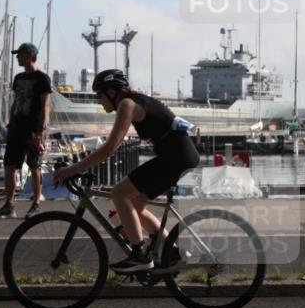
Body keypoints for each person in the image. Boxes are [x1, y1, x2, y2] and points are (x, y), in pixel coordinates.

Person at [52, 69, 200, 272]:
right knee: (136, 207)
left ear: (112, 93)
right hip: (177, 156)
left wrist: (71, 170)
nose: (99, 100)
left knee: (119, 193)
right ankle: (172, 253)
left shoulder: (127, 105)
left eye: (99, 95)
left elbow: (109, 148)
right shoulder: (131, 101)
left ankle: (140, 256)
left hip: (176, 157)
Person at [0, 43, 51, 219]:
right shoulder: (18, 78)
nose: (17, 57)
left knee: (34, 166)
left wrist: (40, 132)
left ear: (30, 55)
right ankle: (9, 206)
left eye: (20, 55)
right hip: (17, 127)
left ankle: (36, 204)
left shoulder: (42, 79)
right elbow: (16, 103)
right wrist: (9, 125)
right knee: (9, 165)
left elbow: (45, 106)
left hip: (33, 129)